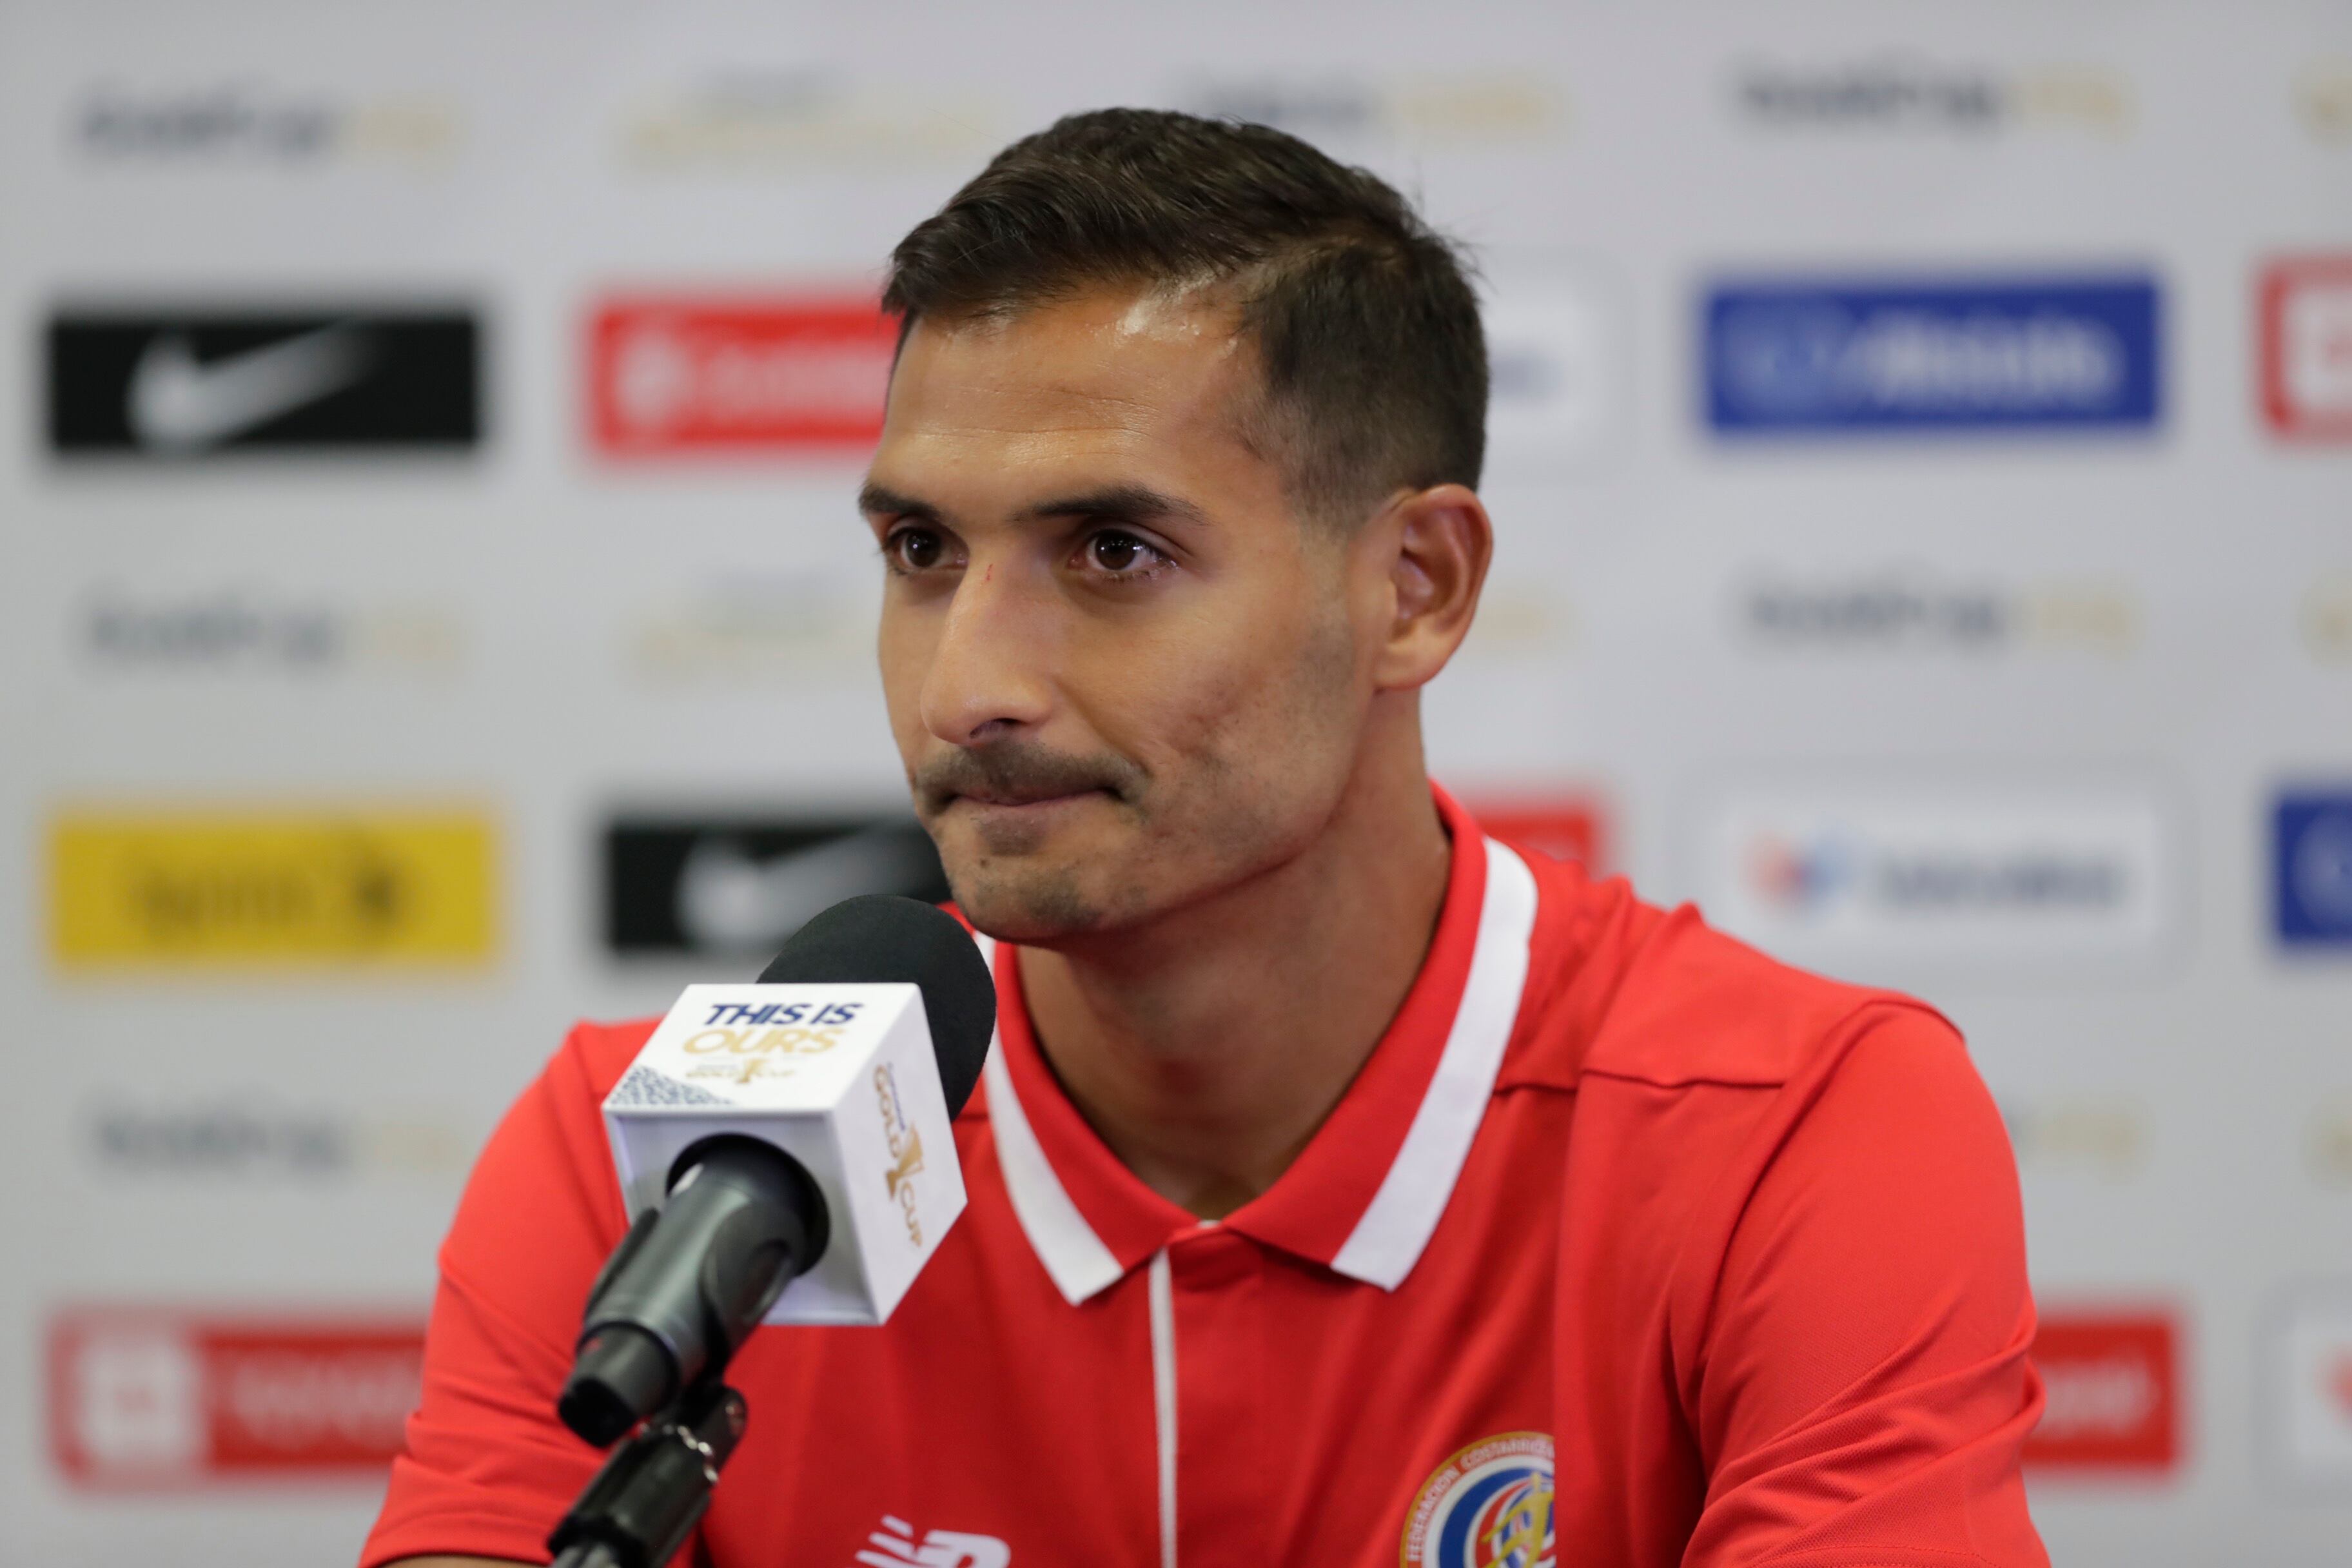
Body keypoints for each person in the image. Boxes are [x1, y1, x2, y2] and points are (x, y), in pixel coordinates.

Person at [366, 109, 2047, 1568]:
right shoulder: (648, 1172)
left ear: (1417, 589)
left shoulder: (1800, 1137)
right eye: (923, 552)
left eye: (1111, 553)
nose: (971, 689)